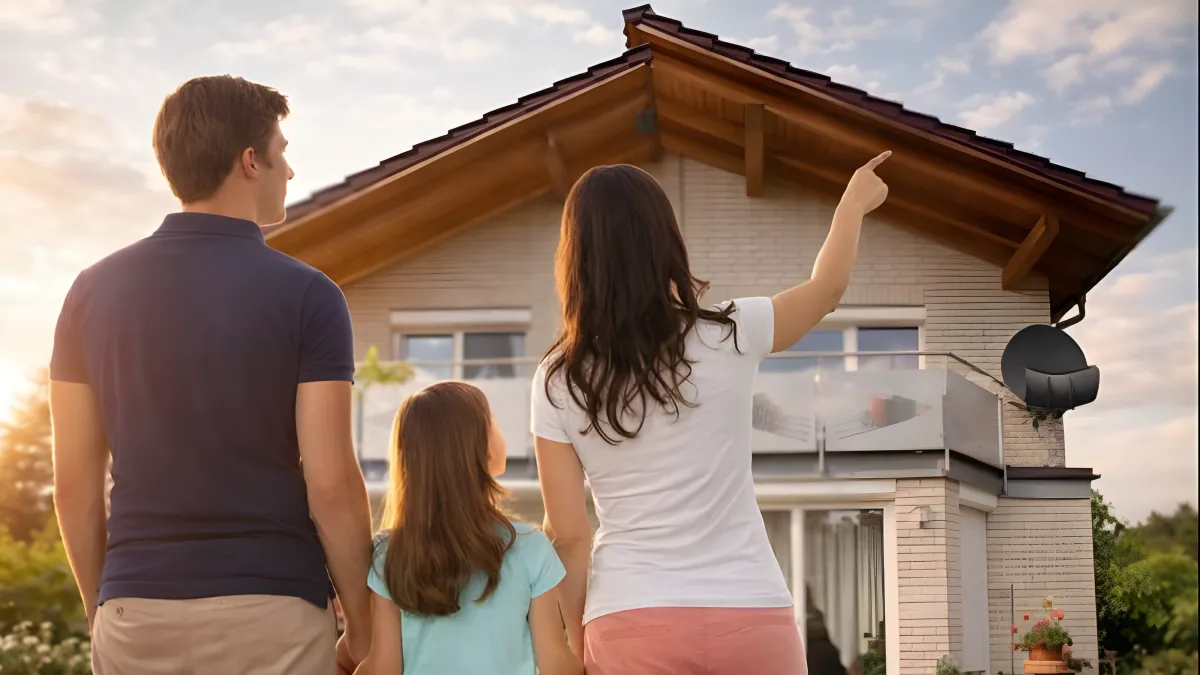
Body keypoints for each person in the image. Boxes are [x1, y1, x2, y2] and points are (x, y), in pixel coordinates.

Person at [49, 75, 373, 675]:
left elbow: (72, 484)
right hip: (274, 613)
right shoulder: (309, 295)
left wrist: (106, 603)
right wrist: (362, 621)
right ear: (250, 161)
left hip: (134, 614)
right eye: (282, 152)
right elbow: (329, 482)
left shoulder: (88, 293)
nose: (290, 171)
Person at [531, 151, 892, 674]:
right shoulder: (731, 330)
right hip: (750, 608)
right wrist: (853, 203)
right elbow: (826, 291)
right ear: (665, 241)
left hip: (630, 616)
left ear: (576, 257)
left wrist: (582, 632)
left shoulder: (559, 376)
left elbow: (565, 533)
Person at [354, 382, 581, 675]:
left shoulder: (389, 553)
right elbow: (556, 665)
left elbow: (383, 667)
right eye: (493, 422)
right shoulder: (531, 546)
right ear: (482, 447)